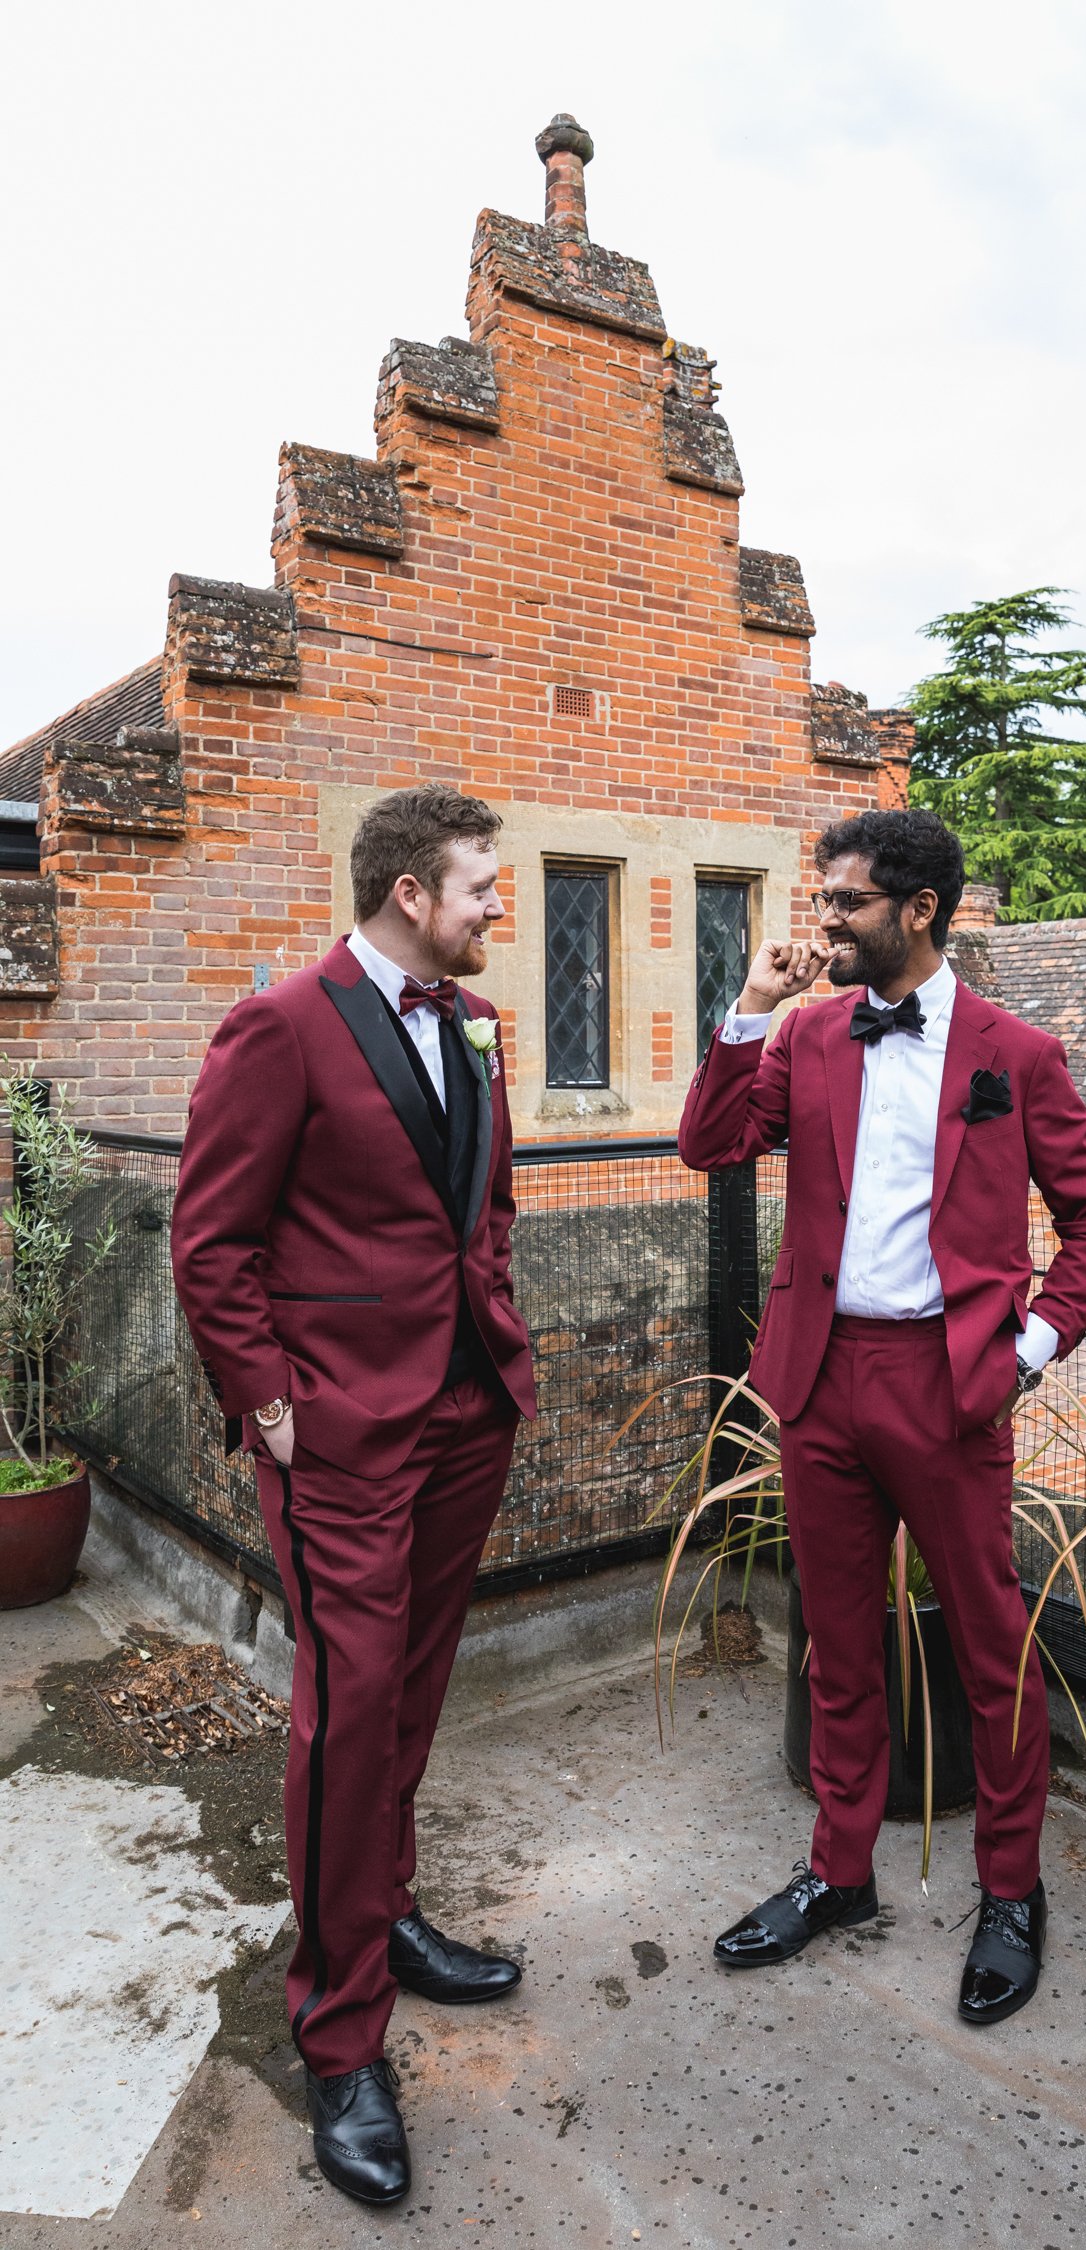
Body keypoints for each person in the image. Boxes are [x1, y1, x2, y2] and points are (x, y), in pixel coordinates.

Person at [677, 807, 1086, 2024]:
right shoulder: (809, 1034)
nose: (825, 919)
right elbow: (709, 1142)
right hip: (820, 1380)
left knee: (992, 1652)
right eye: (824, 897)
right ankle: (839, 1873)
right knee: (836, 1642)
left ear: (919, 911)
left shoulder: (1016, 1054)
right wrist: (751, 1006)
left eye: (848, 900)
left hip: (949, 1387)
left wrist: (1024, 1353)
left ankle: (1011, 1894)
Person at [171, 783, 536, 2205]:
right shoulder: (281, 1027)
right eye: (483, 885)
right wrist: (270, 1405)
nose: (502, 904)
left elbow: (480, 1209)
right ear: (409, 894)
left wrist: (494, 1323)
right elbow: (212, 1241)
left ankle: (385, 1914)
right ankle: (338, 2033)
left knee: (416, 1689)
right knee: (351, 1704)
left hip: (466, 1411)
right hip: (337, 1436)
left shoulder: (478, 1022)